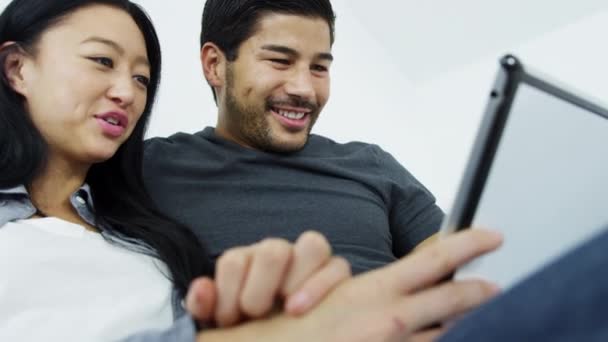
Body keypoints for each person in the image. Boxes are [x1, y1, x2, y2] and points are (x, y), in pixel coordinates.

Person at [0, 0, 351, 340]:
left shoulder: (150, 234)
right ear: (17, 67)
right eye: (102, 60)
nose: (127, 93)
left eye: (142, 79)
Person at [143, 0, 443, 276]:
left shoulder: (370, 164)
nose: (305, 89)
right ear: (215, 65)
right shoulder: (148, 167)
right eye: (280, 61)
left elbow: (461, 264)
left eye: (319, 68)